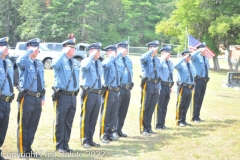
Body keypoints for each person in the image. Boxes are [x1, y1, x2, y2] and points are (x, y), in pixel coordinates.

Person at [16, 38, 45, 158]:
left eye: (38, 48)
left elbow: (42, 81)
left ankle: (28, 149)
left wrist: (43, 97)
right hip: (27, 97)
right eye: (35, 48)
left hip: (38, 98)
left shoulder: (39, 63)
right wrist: (29, 51)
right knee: (24, 124)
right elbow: (19, 62)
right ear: (29, 47)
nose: (38, 50)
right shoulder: (25, 61)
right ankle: (22, 150)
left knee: (33, 125)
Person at [51, 38, 80, 153]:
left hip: (73, 96)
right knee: (60, 121)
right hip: (62, 95)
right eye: (71, 48)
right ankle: (59, 145)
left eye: (74, 48)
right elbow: (53, 64)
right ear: (65, 48)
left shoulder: (74, 62)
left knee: (68, 122)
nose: (74, 49)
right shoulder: (60, 60)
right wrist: (63, 52)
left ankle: (65, 144)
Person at [80, 42, 103, 148]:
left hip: (98, 93)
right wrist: (91, 56)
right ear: (91, 51)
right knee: (86, 117)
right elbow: (84, 67)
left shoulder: (98, 63)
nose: (99, 52)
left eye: (99, 51)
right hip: (89, 93)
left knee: (94, 117)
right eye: (96, 50)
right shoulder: (86, 61)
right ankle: (84, 140)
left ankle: (90, 139)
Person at [100, 44, 124, 143]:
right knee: (106, 113)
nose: (116, 54)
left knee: (113, 114)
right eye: (114, 52)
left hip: (115, 90)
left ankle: (110, 133)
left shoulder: (115, 62)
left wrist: (117, 56)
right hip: (108, 91)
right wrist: (111, 57)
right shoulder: (107, 61)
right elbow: (104, 65)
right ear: (109, 52)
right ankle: (103, 135)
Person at [139, 40, 161, 136]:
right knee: (145, 106)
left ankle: (148, 127)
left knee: (151, 107)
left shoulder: (157, 59)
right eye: (153, 48)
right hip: (147, 83)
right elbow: (142, 58)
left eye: (156, 48)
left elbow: (158, 73)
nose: (156, 50)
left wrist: (159, 86)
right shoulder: (146, 58)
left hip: (156, 84)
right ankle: (143, 128)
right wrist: (150, 52)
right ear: (149, 48)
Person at [113, 41, 134, 138]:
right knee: (116, 110)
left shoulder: (128, 60)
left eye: (126, 48)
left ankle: (119, 129)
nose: (125, 50)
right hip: (119, 88)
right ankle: (113, 130)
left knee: (123, 110)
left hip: (127, 88)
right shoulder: (115, 59)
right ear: (118, 49)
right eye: (123, 48)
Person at [0, 37, 14, 160]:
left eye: (7, 46)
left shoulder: (8, 62)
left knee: (3, 128)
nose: (6, 48)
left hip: (7, 101)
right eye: (3, 46)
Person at [175, 49, 195, 127]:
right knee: (181, 104)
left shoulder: (190, 65)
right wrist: (183, 58)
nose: (189, 57)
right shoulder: (181, 64)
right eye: (187, 55)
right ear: (183, 55)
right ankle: (179, 120)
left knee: (186, 105)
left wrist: (193, 85)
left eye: (190, 55)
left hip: (189, 87)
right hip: (183, 87)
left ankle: (183, 120)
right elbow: (176, 66)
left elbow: (192, 76)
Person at [155, 46, 174, 130]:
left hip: (167, 86)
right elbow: (158, 70)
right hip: (161, 85)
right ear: (162, 53)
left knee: (165, 106)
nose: (169, 54)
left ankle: (163, 123)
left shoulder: (169, 63)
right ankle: (158, 124)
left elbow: (170, 75)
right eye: (167, 53)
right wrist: (163, 58)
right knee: (160, 105)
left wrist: (170, 86)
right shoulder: (160, 61)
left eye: (169, 53)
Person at [191, 43, 209, 122]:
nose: (205, 50)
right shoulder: (196, 57)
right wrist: (198, 51)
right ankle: (194, 117)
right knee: (196, 98)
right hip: (198, 80)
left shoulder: (205, 58)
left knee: (200, 99)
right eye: (203, 49)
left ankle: (197, 116)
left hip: (204, 80)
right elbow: (191, 57)